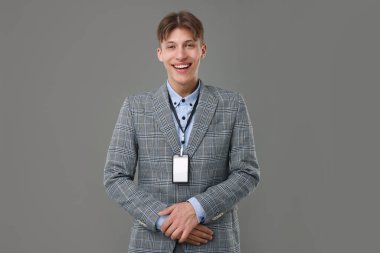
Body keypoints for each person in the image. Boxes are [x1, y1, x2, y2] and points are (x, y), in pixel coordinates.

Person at [103, 10, 260, 253]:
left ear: (202, 50)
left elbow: (247, 173)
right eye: (171, 46)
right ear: (160, 54)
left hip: (214, 242)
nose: (180, 55)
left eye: (189, 45)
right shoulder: (135, 107)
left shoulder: (232, 104)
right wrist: (166, 221)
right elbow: (114, 176)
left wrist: (196, 209)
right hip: (151, 244)